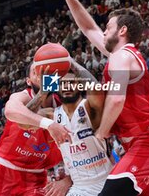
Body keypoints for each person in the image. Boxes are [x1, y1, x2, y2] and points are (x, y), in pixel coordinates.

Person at [53, 0, 149, 195]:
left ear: (122, 30)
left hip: (148, 142)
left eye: (108, 27)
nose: (104, 31)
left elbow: (116, 99)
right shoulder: (119, 57)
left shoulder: (121, 57)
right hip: (139, 144)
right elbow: (88, 28)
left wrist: (102, 132)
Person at [0, 64, 71, 196]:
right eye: (36, 72)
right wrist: (48, 123)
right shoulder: (22, 97)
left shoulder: (65, 105)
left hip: (36, 176)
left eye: (44, 71)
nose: (41, 74)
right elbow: (10, 111)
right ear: (28, 81)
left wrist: (69, 180)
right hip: (3, 172)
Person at [42, 59, 112, 196]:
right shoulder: (52, 115)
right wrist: (42, 92)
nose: (67, 86)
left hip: (105, 181)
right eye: (62, 83)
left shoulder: (88, 107)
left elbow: (96, 89)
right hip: (79, 187)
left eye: (71, 83)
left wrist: (70, 63)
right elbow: (23, 121)